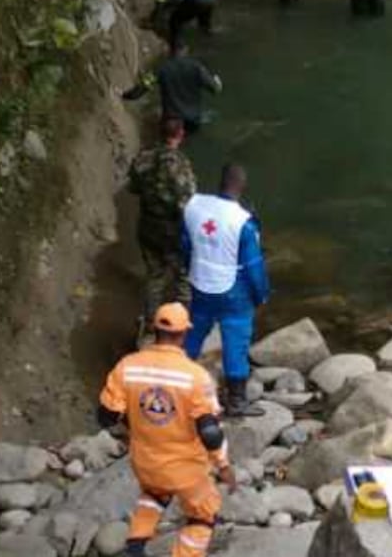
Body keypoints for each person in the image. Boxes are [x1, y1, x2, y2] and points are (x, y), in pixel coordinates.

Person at [98, 303, 238, 557]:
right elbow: (210, 432)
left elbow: (106, 416)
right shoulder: (195, 376)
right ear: (184, 334)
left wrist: (135, 425)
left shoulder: (127, 366)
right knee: (203, 515)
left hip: (145, 462)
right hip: (186, 469)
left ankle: (135, 548)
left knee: (154, 494)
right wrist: (224, 466)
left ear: (154, 330)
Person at [181, 164, 270, 417]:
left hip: (200, 283)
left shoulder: (194, 206)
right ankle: (236, 400)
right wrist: (261, 295)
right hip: (232, 291)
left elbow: (185, 244)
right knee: (236, 340)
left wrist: (192, 268)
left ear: (220, 182)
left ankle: (177, 380)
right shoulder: (243, 222)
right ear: (242, 187)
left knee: (194, 333)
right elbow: (254, 266)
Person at [128, 117, 196, 332]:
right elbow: (188, 202)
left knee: (155, 275)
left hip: (147, 225)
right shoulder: (180, 164)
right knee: (183, 277)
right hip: (172, 230)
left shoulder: (143, 158)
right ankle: (180, 325)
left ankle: (150, 324)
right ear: (181, 134)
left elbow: (133, 187)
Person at [122, 46, 223, 134]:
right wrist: (217, 81)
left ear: (170, 53)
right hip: (192, 120)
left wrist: (124, 95)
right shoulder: (197, 68)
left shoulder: (161, 68)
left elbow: (143, 86)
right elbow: (216, 89)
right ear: (186, 51)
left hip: (171, 121)